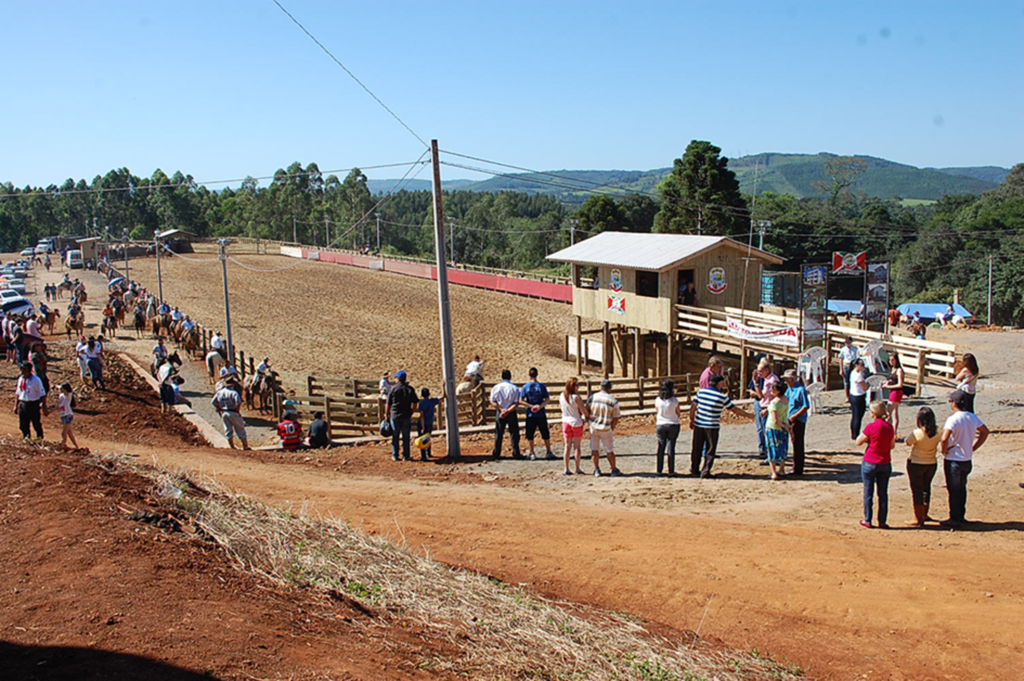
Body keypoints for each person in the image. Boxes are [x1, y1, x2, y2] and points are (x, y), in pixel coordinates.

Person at [939, 390, 989, 527]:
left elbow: (944, 438)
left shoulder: (953, 419)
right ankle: (960, 516)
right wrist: (974, 447)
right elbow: (985, 431)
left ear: (954, 403)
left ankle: (954, 518)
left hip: (954, 458)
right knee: (961, 488)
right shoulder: (972, 417)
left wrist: (944, 450)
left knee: (953, 490)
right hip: (967, 459)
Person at [689, 374, 749, 478]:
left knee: (696, 447)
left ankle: (694, 469)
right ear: (719, 383)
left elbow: (693, 406)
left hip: (699, 424)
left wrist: (692, 419)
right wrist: (748, 415)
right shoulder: (721, 397)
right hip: (712, 426)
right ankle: (706, 471)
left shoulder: (701, 392)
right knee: (710, 449)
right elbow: (734, 409)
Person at [855, 401, 895, 529]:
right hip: (885, 461)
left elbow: (858, 442)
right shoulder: (889, 427)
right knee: (883, 493)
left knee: (868, 492)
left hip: (870, 461)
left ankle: (868, 519)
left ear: (873, 413)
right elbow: (892, 445)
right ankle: (882, 521)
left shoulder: (871, 427)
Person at [905, 407, 941, 527]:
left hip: (916, 462)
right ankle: (924, 514)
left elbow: (908, 442)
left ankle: (918, 517)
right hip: (931, 462)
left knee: (917, 490)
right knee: (926, 488)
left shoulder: (917, 433)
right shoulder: (938, 432)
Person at [586, 378, 621, 476]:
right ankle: (613, 469)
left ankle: (596, 469)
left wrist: (589, 422)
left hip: (594, 426)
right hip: (606, 427)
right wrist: (612, 427)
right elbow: (616, 417)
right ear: (609, 388)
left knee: (594, 449)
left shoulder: (592, 397)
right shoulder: (613, 401)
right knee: (609, 450)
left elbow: (586, 410)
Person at [519, 367, 554, 460]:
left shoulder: (525, 387)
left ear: (529, 375)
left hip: (530, 414)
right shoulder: (542, 386)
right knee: (545, 432)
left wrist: (531, 406)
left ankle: (532, 453)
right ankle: (548, 451)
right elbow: (547, 399)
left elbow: (521, 400)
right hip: (541, 413)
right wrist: (540, 406)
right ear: (537, 374)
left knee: (530, 434)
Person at [489, 369, 522, 460]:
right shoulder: (514, 388)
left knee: (499, 432)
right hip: (511, 412)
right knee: (514, 432)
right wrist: (508, 410)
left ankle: (497, 452)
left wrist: (501, 409)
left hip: (500, 412)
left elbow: (492, 400)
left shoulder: (496, 387)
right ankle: (516, 452)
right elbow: (516, 402)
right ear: (510, 377)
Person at [385, 370, 417, 462]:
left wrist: (386, 414)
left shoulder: (393, 389)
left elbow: (388, 403)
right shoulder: (410, 389)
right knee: (406, 436)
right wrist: (412, 411)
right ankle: (406, 455)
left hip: (395, 415)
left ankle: (395, 455)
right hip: (406, 415)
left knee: (395, 436)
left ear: (398, 379)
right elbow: (415, 402)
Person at [783, 370, 810, 476]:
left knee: (797, 443)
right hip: (790, 418)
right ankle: (796, 466)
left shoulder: (800, 390)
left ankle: (798, 468)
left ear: (793, 379)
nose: (785, 382)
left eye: (787, 379)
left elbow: (805, 406)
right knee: (794, 443)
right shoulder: (790, 389)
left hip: (797, 420)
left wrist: (794, 416)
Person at [751, 359, 779, 462]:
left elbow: (761, 395)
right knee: (763, 430)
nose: (759, 373)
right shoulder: (767, 379)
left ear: (767, 370)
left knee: (767, 432)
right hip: (765, 405)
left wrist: (756, 383)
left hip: (767, 407)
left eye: (761, 371)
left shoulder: (772, 380)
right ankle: (768, 454)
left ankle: (770, 455)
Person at [211, 377, 249, 450]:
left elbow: (213, 402)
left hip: (224, 412)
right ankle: (245, 446)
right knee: (240, 428)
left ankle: (231, 446)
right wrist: (237, 411)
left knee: (228, 429)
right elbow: (238, 402)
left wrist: (219, 408)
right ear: (233, 385)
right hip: (233, 411)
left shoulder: (220, 392)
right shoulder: (234, 393)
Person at [559, 377, 587, 476]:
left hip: (566, 421)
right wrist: (588, 416)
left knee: (567, 446)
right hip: (576, 422)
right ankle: (577, 468)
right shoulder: (576, 397)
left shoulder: (562, 395)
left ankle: (566, 468)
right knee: (577, 446)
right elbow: (583, 410)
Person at [13, 361, 47, 441]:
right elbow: (18, 393)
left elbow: (42, 394)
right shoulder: (21, 379)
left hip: (33, 404)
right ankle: (26, 437)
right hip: (23, 404)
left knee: (36, 423)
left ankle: (40, 438)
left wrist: (44, 406)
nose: (22, 371)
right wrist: (16, 405)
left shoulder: (36, 380)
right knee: (23, 424)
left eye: (24, 369)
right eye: (21, 369)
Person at [654, 379, 681, 476]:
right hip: (673, 424)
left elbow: (657, 411)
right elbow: (678, 413)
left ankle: (659, 470)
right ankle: (671, 470)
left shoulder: (657, 400)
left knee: (661, 447)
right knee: (671, 447)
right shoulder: (674, 400)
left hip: (661, 424)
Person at [764, 381, 790, 481]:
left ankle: (774, 472)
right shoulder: (785, 399)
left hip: (773, 427)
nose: (771, 390)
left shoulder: (775, 402)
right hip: (783, 426)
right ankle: (782, 469)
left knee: (772, 448)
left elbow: (775, 420)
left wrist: (782, 425)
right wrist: (785, 426)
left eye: (773, 389)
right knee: (783, 447)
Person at [883, 353, 906, 436]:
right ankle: (894, 432)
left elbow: (900, 384)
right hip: (894, 391)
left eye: (893, 360)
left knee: (888, 412)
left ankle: (889, 432)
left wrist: (888, 386)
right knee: (894, 413)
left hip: (896, 392)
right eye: (890, 360)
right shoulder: (893, 369)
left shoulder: (899, 370)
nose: (891, 362)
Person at [417, 388, 442, 460]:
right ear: (429, 394)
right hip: (429, 422)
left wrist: (422, 427)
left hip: (423, 423)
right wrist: (443, 387)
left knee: (422, 439)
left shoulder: (421, 404)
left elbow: (422, 416)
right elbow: (442, 397)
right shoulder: (432, 401)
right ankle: (429, 452)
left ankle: (423, 456)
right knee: (428, 437)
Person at [848, 358, 870, 441]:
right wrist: (868, 383)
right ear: (857, 365)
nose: (864, 367)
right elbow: (865, 388)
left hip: (853, 395)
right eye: (862, 365)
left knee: (854, 416)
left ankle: (854, 434)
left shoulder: (853, 373)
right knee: (858, 416)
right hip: (858, 397)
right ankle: (856, 434)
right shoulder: (858, 376)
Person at [57, 382, 79, 449]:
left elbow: (67, 392)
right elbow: (58, 406)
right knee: (69, 433)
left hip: (68, 415)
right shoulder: (61, 396)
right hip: (63, 415)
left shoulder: (68, 395)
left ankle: (63, 445)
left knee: (64, 433)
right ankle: (76, 446)